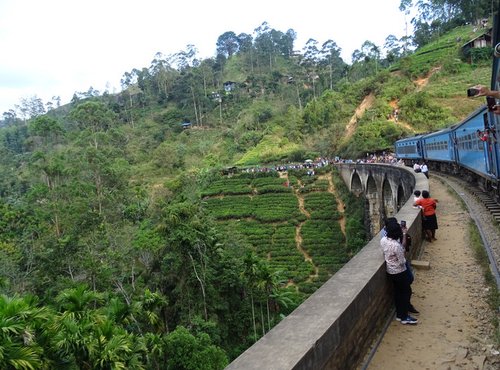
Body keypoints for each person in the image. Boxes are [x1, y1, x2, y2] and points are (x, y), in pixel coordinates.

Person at [381, 221, 418, 324]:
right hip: (400, 272)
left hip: (390, 271)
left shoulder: (383, 240)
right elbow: (402, 261)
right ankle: (404, 317)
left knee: (398, 293)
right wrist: (405, 234)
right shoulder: (396, 246)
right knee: (406, 292)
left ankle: (399, 315)